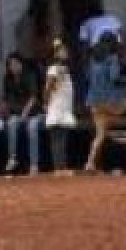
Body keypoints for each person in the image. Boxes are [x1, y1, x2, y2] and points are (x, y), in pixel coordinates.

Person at [84, 32, 126, 172]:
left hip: (93, 103)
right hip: (109, 102)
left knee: (100, 134)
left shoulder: (93, 60)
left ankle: (89, 163)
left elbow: (88, 77)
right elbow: (115, 78)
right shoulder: (112, 58)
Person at [1, 52, 44, 174]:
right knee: (11, 123)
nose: (13, 67)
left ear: (21, 64)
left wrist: (25, 113)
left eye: (15, 64)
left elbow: (33, 97)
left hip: (35, 113)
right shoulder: (7, 78)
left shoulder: (29, 75)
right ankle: (12, 158)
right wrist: (2, 110)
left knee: (32, 127)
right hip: (17, 113)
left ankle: (34, 165)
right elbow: (5, 98)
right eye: (10, 65)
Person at [44, 39, 77, 176]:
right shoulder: (54, 68)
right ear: (56, 53)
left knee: (61, 137)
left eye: (65, 50)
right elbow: (47, 88)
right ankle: (59, 167)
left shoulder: (65, 69)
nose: (65, 52)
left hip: (64, 106)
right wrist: (46, 103)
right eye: (62, 50)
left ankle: (61, 166)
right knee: (57, 137)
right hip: (57, 106)